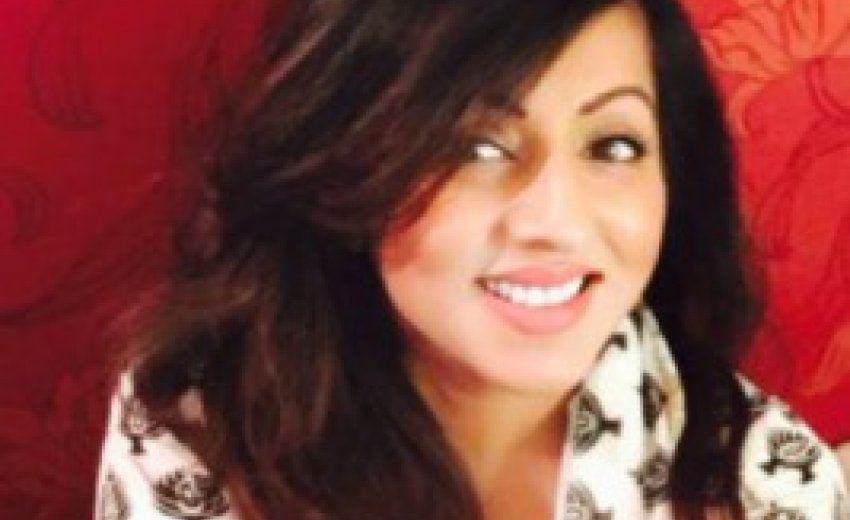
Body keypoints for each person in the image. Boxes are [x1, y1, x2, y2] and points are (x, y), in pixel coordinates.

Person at [94, 0, 850, 519]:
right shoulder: (201, 424)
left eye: (613, 146)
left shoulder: (765, 483)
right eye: (476, 147)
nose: (555, 222)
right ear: (350, 162)